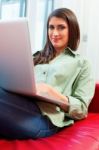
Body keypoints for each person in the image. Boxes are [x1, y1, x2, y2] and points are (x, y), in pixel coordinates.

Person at [0, 8, 95, 139]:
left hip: (44, 119)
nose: (55, 33)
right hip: (16, 104)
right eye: (51, 27)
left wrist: (52, 93)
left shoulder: (82, 63)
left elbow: (82, 109)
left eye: (61, 27)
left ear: (72, 30)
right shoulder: (34, 57)